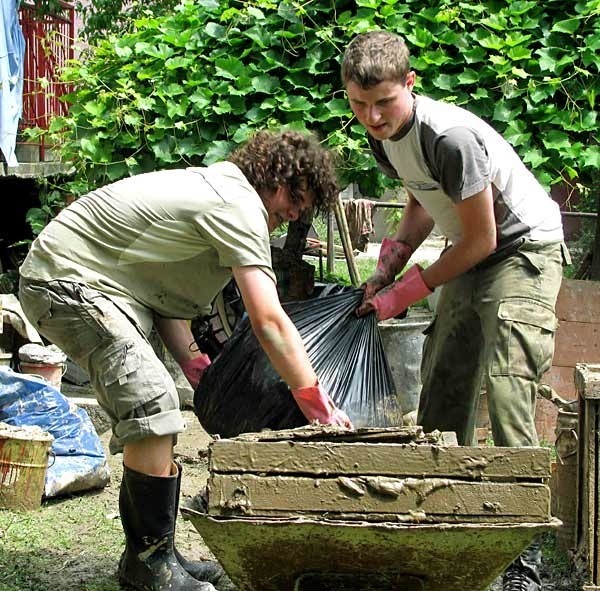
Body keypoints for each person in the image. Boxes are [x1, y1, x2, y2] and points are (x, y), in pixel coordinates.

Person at [18, 129, 353, 591]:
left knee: (158, 401)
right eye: (297, 198)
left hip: (92, 283)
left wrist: (200, 372)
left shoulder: (217, 193)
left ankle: (160, 553)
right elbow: (270, 320)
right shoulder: (238, 205)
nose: (296, 213)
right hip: (66, 281)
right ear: (277, 177)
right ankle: (147, 567)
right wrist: (317, 404)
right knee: (153, 401)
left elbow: (166, 303)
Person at [343, 30, 568, 591]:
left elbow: (481, 240)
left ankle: (524, 551)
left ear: (410, 85)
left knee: (509, 386)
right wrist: (387, 266)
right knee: (443, 383)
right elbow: (423, 199)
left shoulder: (452, 137)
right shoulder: (384, 135)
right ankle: (445, 517)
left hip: (522, 251)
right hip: (474, 252)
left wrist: (403, 295)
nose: (371, 117)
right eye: (358, 104)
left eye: (383, 103)